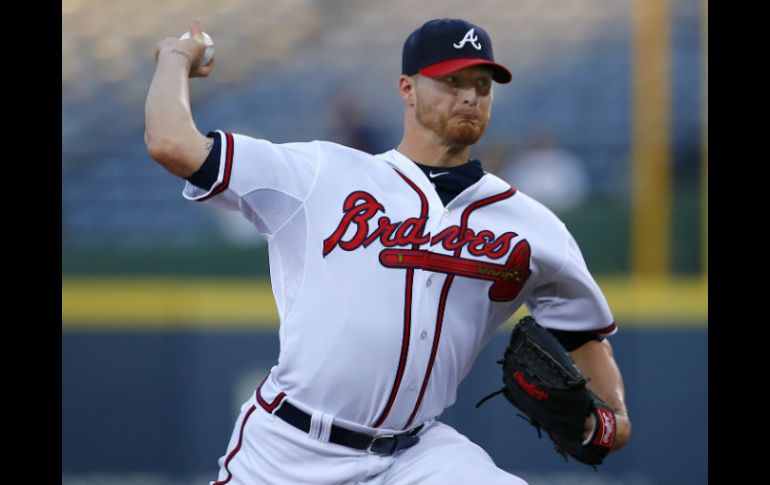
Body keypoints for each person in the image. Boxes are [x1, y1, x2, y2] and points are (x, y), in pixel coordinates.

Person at [145, 18, 631, 485]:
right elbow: (171, 142)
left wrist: (608, 424)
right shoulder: (321, 172)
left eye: (482, 84)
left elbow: (584, 335)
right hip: (291, 448)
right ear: (407, 89)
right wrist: (173, 57)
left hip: (417, 456)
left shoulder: (532, 226)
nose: (469, 95)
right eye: (451, 80)